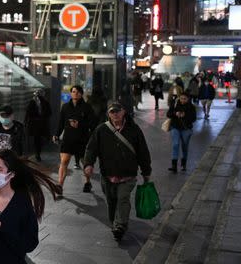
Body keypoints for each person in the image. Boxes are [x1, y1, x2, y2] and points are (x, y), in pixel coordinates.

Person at [83, 102, 152, 241]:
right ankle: (115, 221)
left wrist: (146, 171)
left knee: (123, 198)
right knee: (111, 201)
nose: (115, 114)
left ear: (123, 112)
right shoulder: (101, 130)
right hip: (107, 175)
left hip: (128, 175)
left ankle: (120, 225)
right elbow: (91, 148)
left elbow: (142, 151)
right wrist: (88, 164)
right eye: (112, 112)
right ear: (108, 114)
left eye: (117, 111)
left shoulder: (134, 130)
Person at [53, 86, 95, 195]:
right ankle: (60, 185)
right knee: (64, 162)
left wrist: (80, 124)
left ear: (81, 94)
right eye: (73, 92)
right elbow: (61, 122)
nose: (75, 94)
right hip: (68, 139)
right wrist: (56, 134)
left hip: (82, 139)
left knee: (85, 163)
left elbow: (93, 124)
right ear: (71, 93)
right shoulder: (65, 107)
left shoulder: (87, 107)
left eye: (77, 92)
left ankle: (87, 182)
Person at [167, 91, 196, 172]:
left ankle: (183, 164)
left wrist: (185, 115)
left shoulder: (191, 107)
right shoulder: (175, 104)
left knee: (184, 146)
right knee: (175, 144)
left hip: (186, 129)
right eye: (181, 98)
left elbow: (193, 118)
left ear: (188, 99)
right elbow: (168, 114)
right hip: (175, 127)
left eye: (185, 99)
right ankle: (174, 166)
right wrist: (175, 113)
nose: (182, 100)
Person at [24, 89, 52, 162]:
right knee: (38, 140)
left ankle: (36, 154)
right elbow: (49, 113)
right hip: (41, 125)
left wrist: (25, 122)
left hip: (35, 125)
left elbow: (28, 113)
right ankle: (37, 154)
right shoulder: (45, 102)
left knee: (36, 140)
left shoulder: (33, 102)